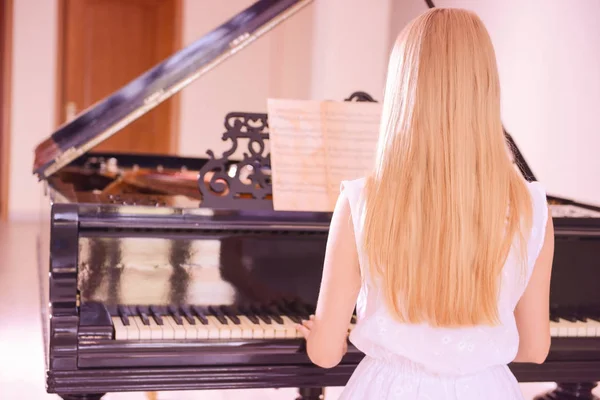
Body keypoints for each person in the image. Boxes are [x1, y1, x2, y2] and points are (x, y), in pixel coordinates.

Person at [295, 7, 554, 400]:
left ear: (403, 89)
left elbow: (327, 354)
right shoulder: (531, 207)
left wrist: (321, 338)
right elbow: (534, 349)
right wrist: (468, 351)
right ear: (485, 86)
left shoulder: (362, 201)